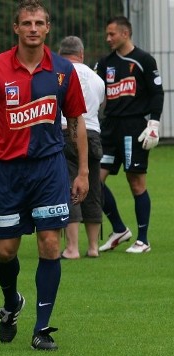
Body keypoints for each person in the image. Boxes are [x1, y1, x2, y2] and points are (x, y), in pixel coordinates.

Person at [0, 0, 89, 351]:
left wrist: (82, 172)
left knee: (50, 245)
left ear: (48, 28)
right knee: (5, 251)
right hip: (9, 172)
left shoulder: (64, 70)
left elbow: (77, 121)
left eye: (39, 23)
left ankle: (42, 327)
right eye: (26, 23)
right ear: (15, 28)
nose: (33, 28)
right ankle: (11, 303)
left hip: (49, 170)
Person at [94, 16, 164, 254]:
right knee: (95, 180)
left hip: (134, 128)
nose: (108, 38)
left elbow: (157, 93)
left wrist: (153, 123)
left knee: (135, 182)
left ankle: (143, 240)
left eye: (112, 34)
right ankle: (119, 229)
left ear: (125, 33)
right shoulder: (105, 63)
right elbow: (96, 91)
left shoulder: (144, 60)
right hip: (110, 129)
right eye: (107, 34)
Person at [58, 36, 106, 259]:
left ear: (60, 53)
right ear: (81, 53)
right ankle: (93, 246)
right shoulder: (97, 79)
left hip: (67, 131)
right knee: (93, 188)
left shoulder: (59, 74)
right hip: (93, 134)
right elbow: (100, 108)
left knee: (70, 187)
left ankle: (72, 247)